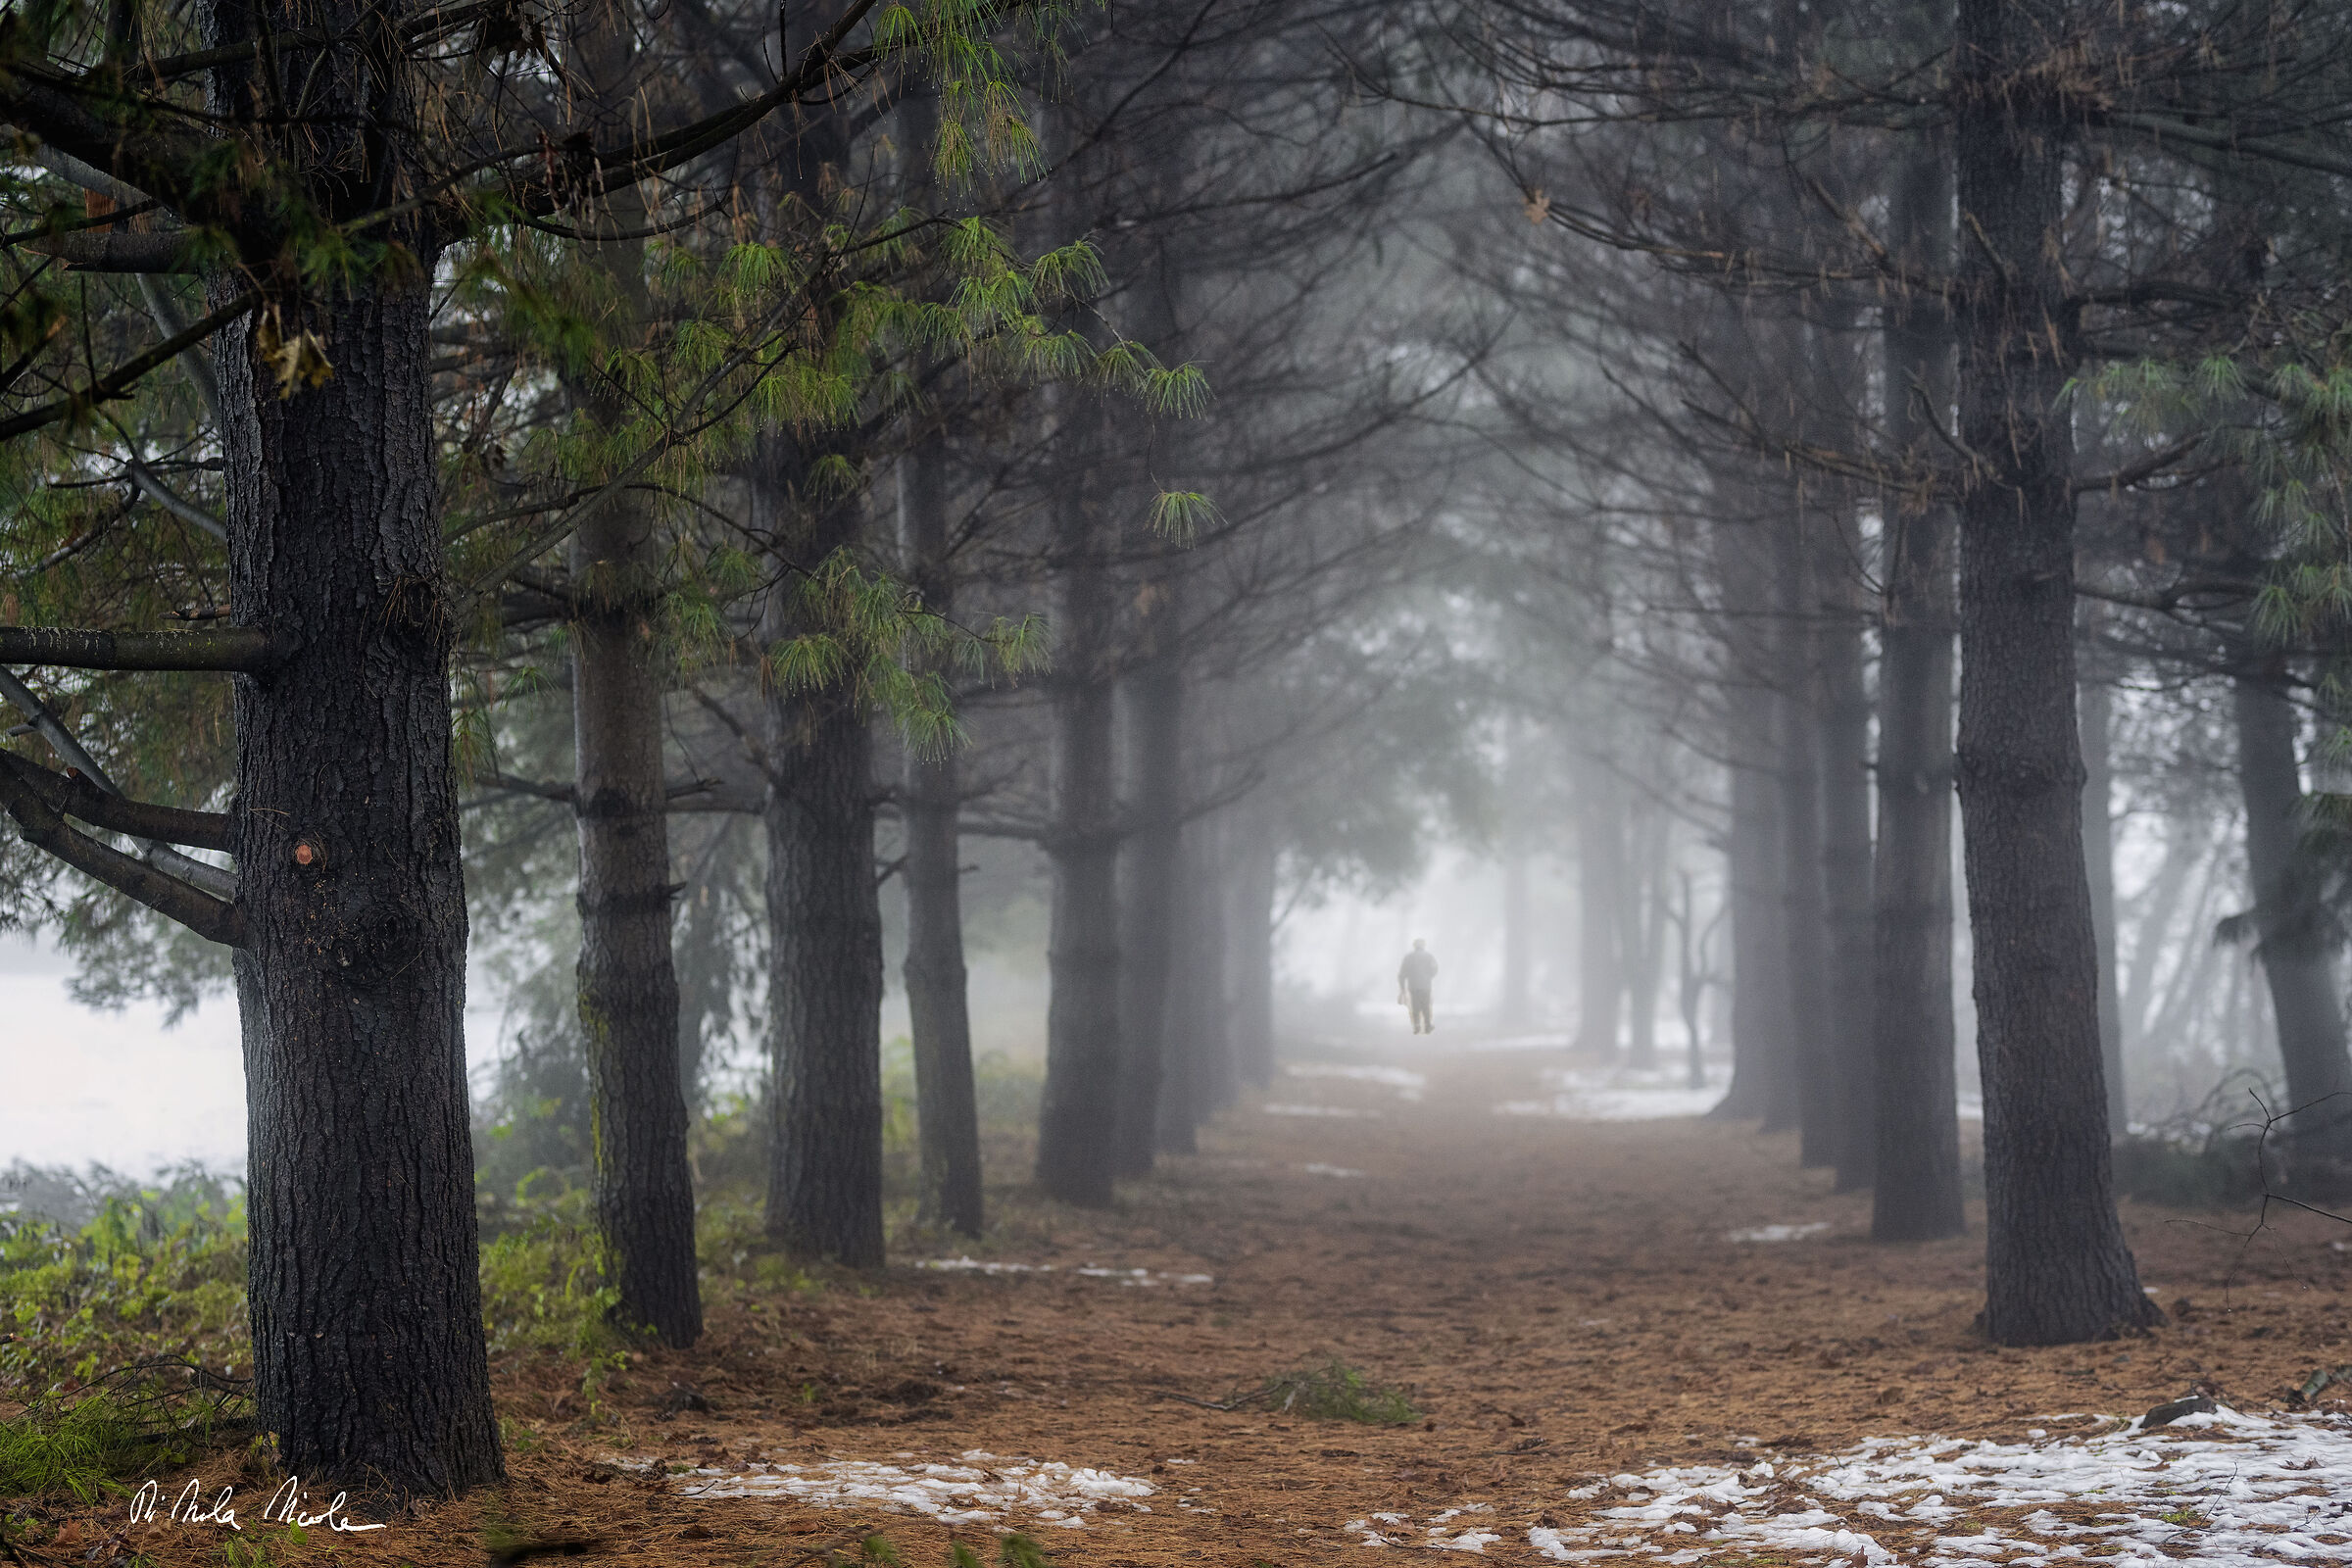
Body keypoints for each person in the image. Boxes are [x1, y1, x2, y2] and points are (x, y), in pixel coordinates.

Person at [1397, 940, 1438, 1034]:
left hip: (1413, 985)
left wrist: (1402, 987)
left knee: (1415, 1006)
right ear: (1423, 946)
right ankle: (1427, 1025)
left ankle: (1416, 1025)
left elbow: (1402, 974)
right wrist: (1429, 976)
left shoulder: (1408, 957)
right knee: (1426, 1005)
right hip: (1426, 986)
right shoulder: (1429, 956)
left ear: (1414, 946)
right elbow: (1435, 969)